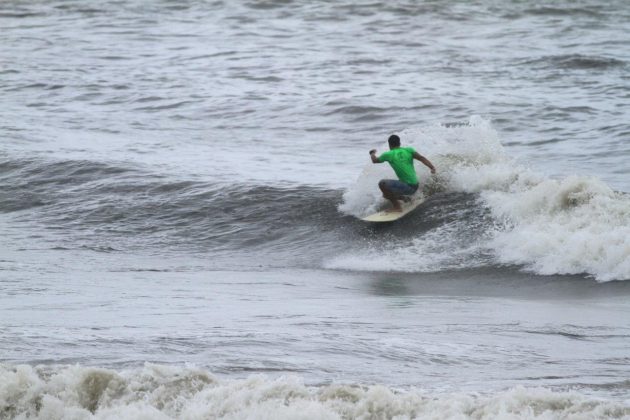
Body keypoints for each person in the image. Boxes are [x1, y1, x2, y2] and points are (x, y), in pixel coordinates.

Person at [369, 134, 436, 212]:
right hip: (415, 185)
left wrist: (372, 153)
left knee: (382, 183)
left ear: (389, 145)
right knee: (386, 195)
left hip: (408, 186)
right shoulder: (409, 150)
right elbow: (421, 158)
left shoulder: (388, 154)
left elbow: (374, 160)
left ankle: (397, 207)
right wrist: (432, 167)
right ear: (399, 143)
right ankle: (407, 199)